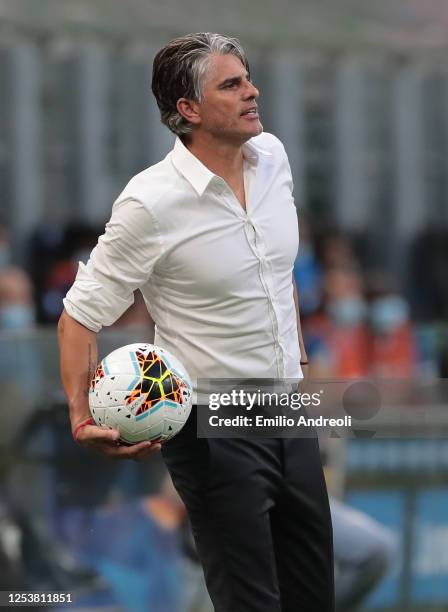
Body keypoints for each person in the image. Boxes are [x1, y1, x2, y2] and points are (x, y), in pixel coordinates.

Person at [58, 32, 334, 611]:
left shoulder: (274, 158)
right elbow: (80, 315)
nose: (252, 91)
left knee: (313, 598)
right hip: (212, 424)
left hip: (290, 410)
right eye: (231, 85)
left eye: (248, 77)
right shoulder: (150, 202)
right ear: (188, 110)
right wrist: (83, 419)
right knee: (251, 602)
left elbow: (273, 262)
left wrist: (299, 356)